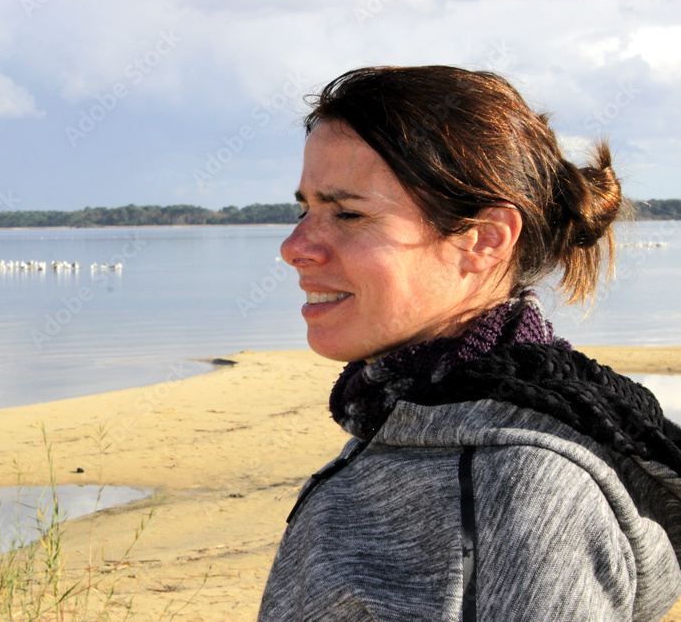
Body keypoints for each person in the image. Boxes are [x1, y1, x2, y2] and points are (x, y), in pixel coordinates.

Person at [258, 65, 681, 621]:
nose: (295, 246)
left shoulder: (513, 485)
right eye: (305, 208)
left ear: (484, 239)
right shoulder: (419, 415)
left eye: (349, 213)